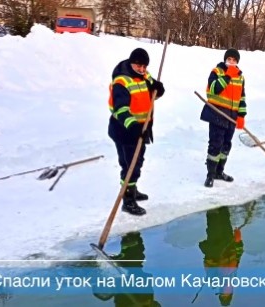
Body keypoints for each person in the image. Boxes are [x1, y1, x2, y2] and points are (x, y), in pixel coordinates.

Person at [108, 48, 165, 216]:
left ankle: (132, 190)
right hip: (124, 130)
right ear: (131, 62)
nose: (142, 69)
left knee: (136, 163)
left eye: (144, 66)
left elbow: (152, 94)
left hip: (141, 129)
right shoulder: (122, 82)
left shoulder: (145, 76)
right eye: (138, 66)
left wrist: (158, 88)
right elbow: (120, 109)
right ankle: (128, 200)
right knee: (130, 166)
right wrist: (134, 127)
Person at [200, 48, 247, 188]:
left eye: (234, 60)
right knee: (215, 144)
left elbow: (242, 97)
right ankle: (210, 175)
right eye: (229, 59)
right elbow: (214, 89)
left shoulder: (240, 77)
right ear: (225, 59)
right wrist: (227, 76)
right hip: (217, 115)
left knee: (226, 145)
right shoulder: (217, 72)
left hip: (232, 118)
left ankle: (219, 172)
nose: (231, 62)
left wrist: (241, 116)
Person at [92, 232, 161, 307]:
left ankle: (105, 273)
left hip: (124, 297)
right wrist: (145, 304)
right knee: (135, 258)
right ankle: (130, 238)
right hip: (138, 283)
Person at [198, 206, 244, 306]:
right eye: (228, 293)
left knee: (214, 216)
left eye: (224, 294)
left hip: (215, 239)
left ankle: (212, 198)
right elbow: (238, 254)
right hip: (227, 237)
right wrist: (238, 240)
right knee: (224, 213)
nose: (226, 290)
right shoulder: (233, 274)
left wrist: (217, 260)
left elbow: (207, 259)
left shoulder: (213, 278)